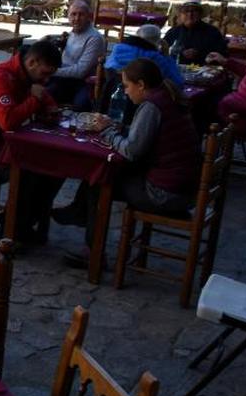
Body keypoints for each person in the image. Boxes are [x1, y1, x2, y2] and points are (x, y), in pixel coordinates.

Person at [53, 58, 199, 269]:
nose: (126, 92)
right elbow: (145, 135)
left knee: (100, 181)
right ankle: (80, 213)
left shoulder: (151, 106)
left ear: (140, 85)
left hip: (165, 193)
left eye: (127, 86)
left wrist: (107, 132)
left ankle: (92, 251)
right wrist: (117, 126)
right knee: (101, 175)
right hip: (183, 187)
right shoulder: (166, 96)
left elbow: (132, 151)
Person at [0, 40, 62, 242]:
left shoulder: (30, 75)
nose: (47, 80)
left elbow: (47, 100)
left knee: (56, 167)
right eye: (45, 74)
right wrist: (35, 101)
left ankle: (23, 222)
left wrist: (50, 110)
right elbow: (7, 121)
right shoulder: (0, 77)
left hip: (6, 144)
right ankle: (10, 229)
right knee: (27, 170)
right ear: (32, 62)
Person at [101, 24, 183, 114]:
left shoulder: (118, 48)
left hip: (110, 98)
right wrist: (167, 56)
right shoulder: (155, 57)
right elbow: (177, 83)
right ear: (158, 41)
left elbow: (107, 68)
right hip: (142, 105)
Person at [47, 0, 104, 107]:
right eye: (73, 14)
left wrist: (52, 71)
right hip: (64, 78)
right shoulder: (71, 33)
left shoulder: (94, 38)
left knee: (80, 104)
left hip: (83, 82)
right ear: (68, 17)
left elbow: (81, 71)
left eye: (81, 15)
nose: (76, 18)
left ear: (88, 17)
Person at [164, 1, 229, 65]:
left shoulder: (212, 32)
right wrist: (181, 53)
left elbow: (222, 54)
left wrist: (200, 53)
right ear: (181, 15)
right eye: (186, 11)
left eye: (194, 11)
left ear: (200, 14)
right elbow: (162, 51)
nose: (190, 14)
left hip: (205, 71)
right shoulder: (173, 32)